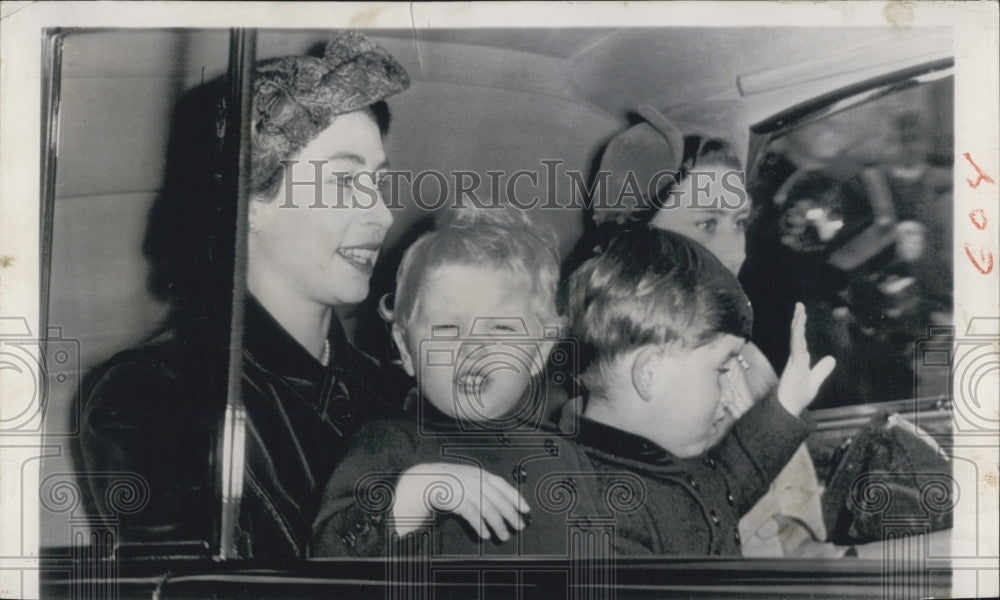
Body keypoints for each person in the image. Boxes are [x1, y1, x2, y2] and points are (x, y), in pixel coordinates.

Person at [78, 32, 411, 559]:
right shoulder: (152, 398)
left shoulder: (399, 394)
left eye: (379, 182)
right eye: (346, 182)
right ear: (248, 201)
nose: (384, 215)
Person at [556, 106, 831, 556]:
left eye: (738, 224)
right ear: (635, 243)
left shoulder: (751, 363)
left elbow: (792, 543)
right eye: (706, 223)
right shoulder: (606, 415)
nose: (734, 250)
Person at [310, 208, 565, 557]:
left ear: (539, 352)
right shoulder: (383, 445)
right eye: (447, 329)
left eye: (501, 329)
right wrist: (413, 495)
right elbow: (328, 557)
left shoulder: (565, 458)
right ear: (407, 350)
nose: (474, 349)